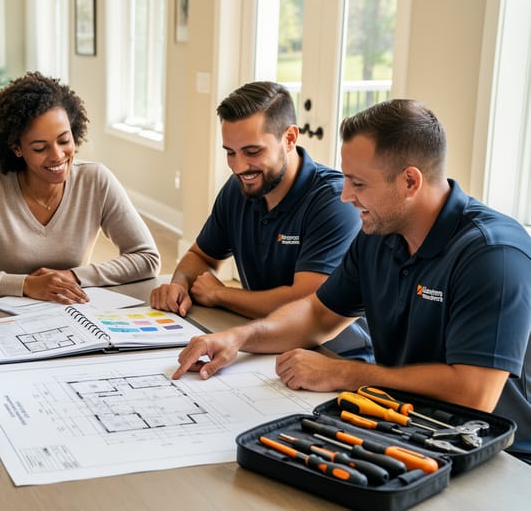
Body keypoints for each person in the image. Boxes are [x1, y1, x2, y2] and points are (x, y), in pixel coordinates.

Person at [174, 99, 531, 462]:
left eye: (358, 183)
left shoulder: (494, 255)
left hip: (501, 456)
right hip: (407, 429)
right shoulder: (379, 231)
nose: (346, 195)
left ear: (410, 181)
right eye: (346, 178)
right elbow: (318, 314)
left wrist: (344, 373)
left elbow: (474, 394)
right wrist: (239, 337)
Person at [150, 81, 371, 358]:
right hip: (263, 343)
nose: (239, 166)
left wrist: (222, 295)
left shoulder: (334, 201)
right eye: (230, 152)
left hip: (333, 355)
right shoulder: (239, 188)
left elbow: (307, 303)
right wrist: (179, 285)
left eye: (252, 152)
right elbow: (199, 256)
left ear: (290, 138)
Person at [0, 71, 160, 302]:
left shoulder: (95, 181)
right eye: (40, 148)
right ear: (17, 148)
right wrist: (25, 285)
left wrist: (73, 276)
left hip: (71, 313)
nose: (57, 156)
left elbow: (147, 258)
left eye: (64, 140)